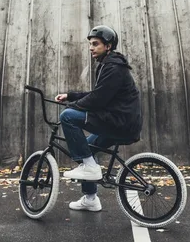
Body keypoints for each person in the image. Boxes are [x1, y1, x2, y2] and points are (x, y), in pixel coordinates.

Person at [56, 25, 142, 212]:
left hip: (119, 122)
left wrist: (72, 107)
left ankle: (90, 169)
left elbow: (98, 99)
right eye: (90, 44)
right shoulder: (109, 65)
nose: (91, 48)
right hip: (120, 121)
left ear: (108, 46)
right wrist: (71, 95)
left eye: (96, 44)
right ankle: (90, 199)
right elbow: (99, 93)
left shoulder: (113, 67)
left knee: (68, 117)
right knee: (87, 149)